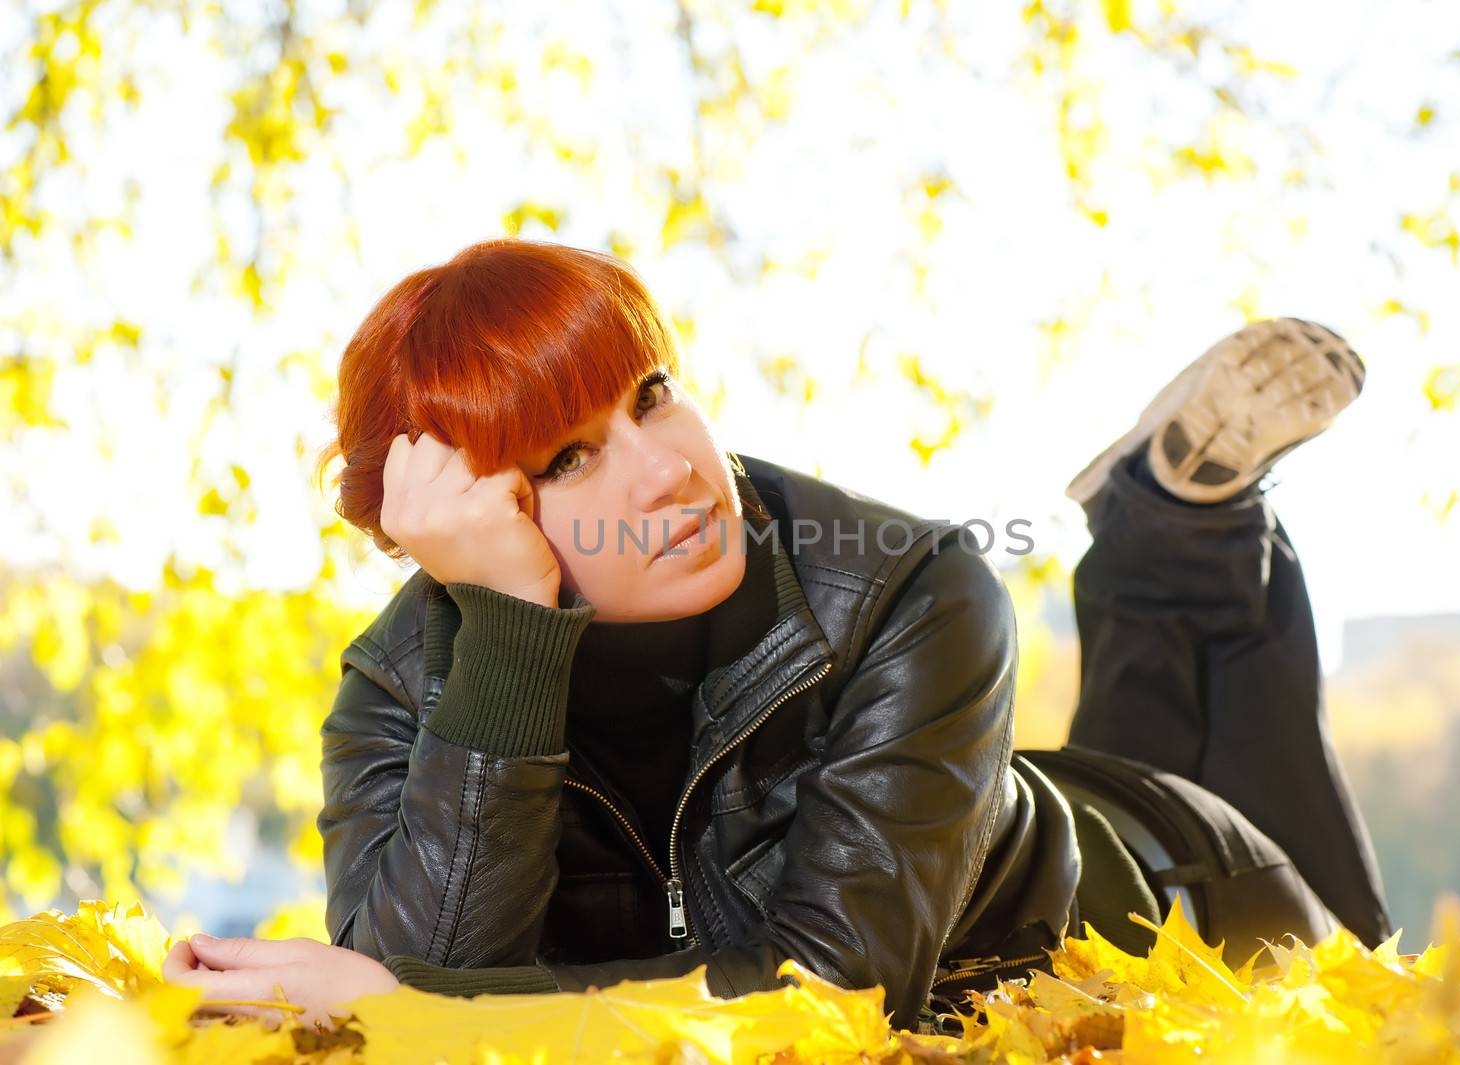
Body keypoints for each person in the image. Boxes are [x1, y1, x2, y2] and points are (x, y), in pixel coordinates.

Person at [162, 239, 1391, 1031]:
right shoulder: (398, 688)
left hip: (1178, 892)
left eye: (653, 394)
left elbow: (828, 1001)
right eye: (569, 455)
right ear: (464, 522)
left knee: (1354, 935)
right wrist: (506, 637)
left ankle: (1170, 527)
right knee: (1116, 722)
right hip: (978, 837)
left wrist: (419, 1007)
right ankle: (1156, 515)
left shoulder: (914, 586)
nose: (670, 473)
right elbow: (418, 980)